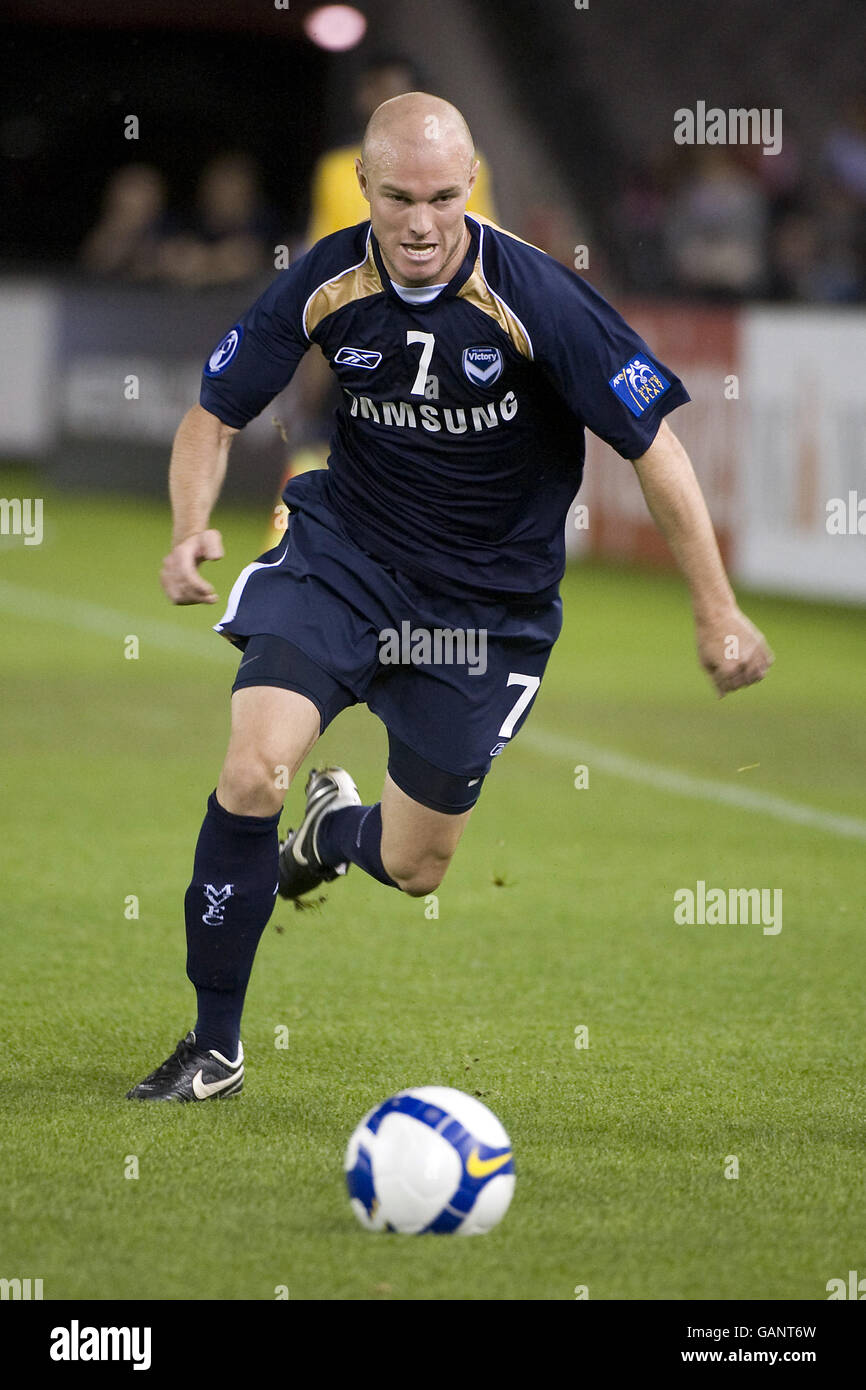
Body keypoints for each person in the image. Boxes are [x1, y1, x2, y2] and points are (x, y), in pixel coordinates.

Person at [127, 92, 773, 1102]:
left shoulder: (540, 299)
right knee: (252, 767)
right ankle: (214, 1047)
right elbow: (213, 413)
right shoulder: (326, 278)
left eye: (441, 196)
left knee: (414, 863)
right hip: (343, 562)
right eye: (396, 198)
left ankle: (328, 838)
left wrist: (715, 605)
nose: (421, 222)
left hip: (484, 610)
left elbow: (652, 446)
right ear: (364, 189)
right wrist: (186, 528)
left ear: (468, 186)